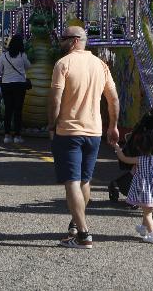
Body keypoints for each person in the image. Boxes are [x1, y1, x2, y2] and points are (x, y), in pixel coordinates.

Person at [49, 25, 120, 249]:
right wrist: (113, 126)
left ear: (74, 41)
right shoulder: (100, 65)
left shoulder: (63, 64)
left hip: (69, 130)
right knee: (85, 181)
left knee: (72, 181)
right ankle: (75, 223)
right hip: (94, 131)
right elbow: (114, 100)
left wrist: (52, 124)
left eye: (64, 39)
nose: (61, 42)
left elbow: (55, 100)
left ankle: (83, 235)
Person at [112, 126, 153, 244]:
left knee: (147, 213)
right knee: (147, 209)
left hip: (144, 190)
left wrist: (117, 148)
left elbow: (124, 158)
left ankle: (152, 235)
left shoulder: (139, 160)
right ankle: (143, 228)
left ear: (138, 147)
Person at [0, 34, 32, 143]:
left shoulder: (4, 56)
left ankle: (7, 135)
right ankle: (17, 135)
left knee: (8, 110)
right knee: (18, 110)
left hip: (6, 84)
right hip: (19, 85)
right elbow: (29, 66)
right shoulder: (22, 55)